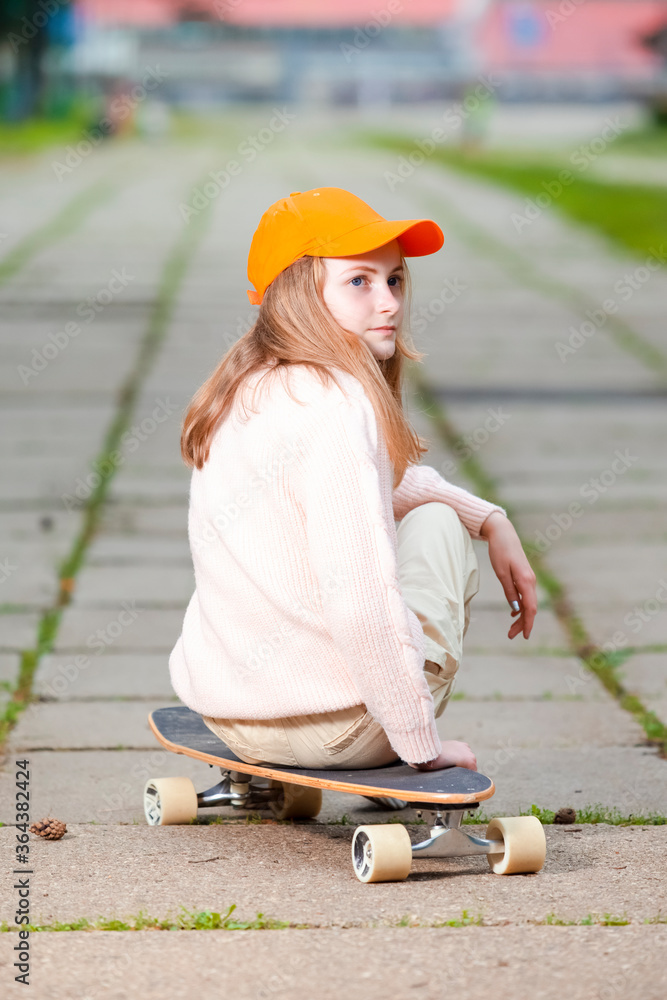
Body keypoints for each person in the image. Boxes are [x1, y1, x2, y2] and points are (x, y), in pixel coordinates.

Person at [168, 187, 537, 786]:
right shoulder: (337, 405)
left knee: (442, 511)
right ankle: (393, 719)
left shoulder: (244, 385)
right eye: (359, 282)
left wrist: (489, 518)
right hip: (339, 732)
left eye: (394, 280)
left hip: (232, 719)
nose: (388, 302)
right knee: (437, 527)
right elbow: (360, 599)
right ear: (299, 295)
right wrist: (418, 748)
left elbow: (371, 481)